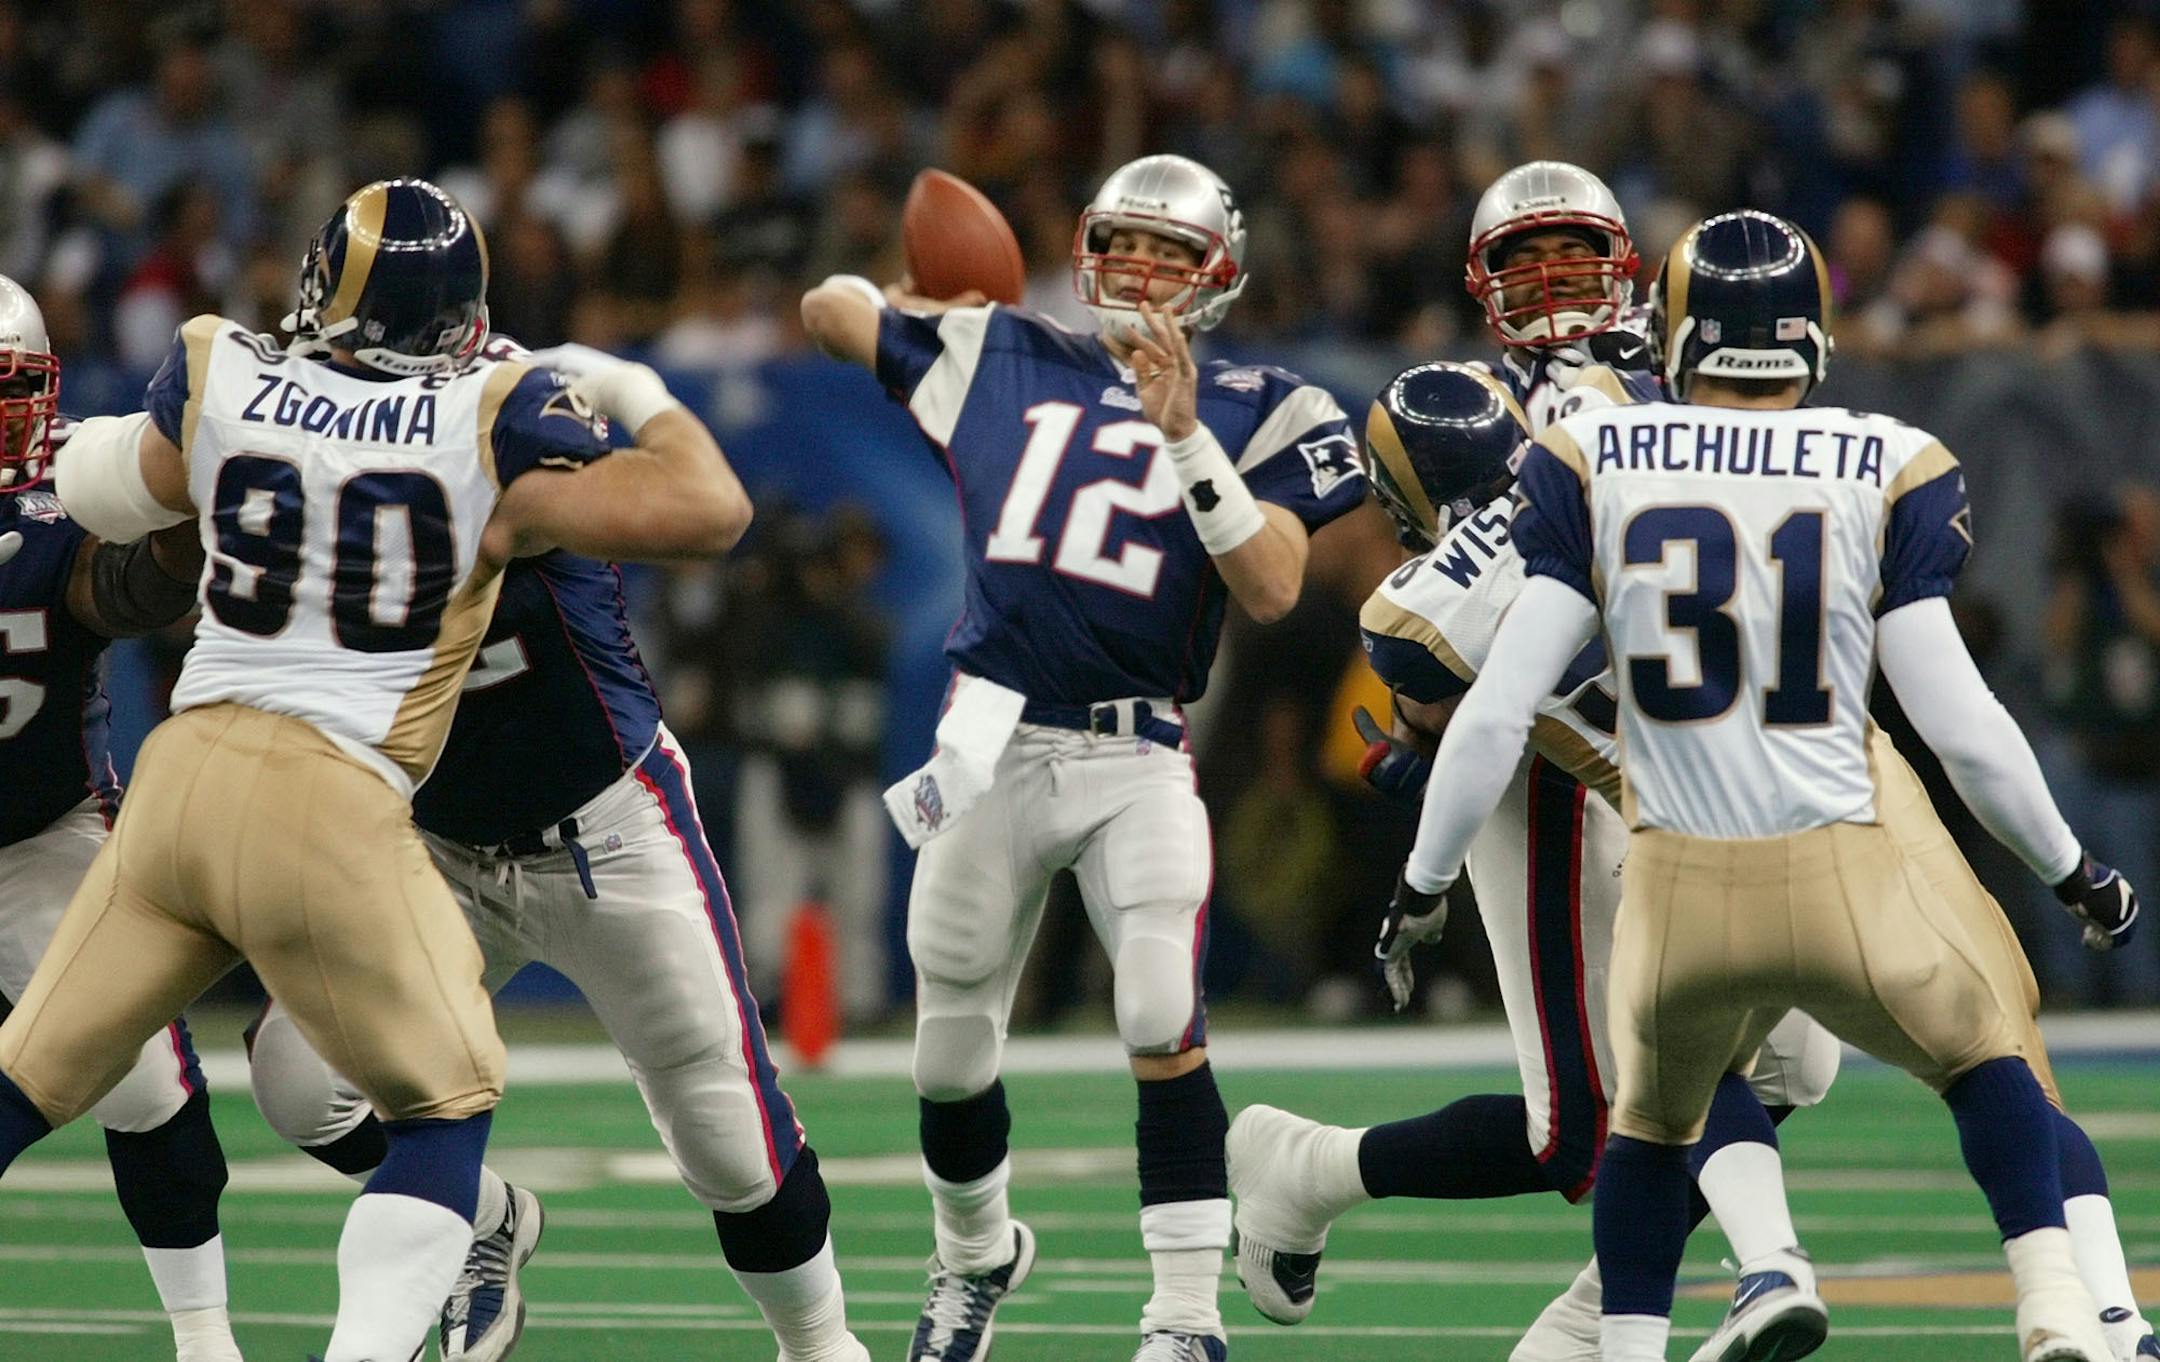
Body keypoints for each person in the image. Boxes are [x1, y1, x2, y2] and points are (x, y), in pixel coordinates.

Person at [0, 178, 750, 1362]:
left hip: (179, 785)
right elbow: (712, 511)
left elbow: (104, 493)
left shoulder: (223, 369)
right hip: (328, 801)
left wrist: (75, 468)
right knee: (445, 1108)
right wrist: (638, 392)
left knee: (25, 1080)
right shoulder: (492, 412)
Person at [1398, 208, 2138, 1362]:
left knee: (1651, 1130)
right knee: (1988, 1054)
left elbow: (1491, 710)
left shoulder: (1597, 459)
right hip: (1841, 856)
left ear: (1676, 336)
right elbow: (1964, 727)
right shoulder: (1887, 460)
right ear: (1814, 335)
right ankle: (2064, 1306)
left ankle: (1670, 1325)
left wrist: (1422, 880)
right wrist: (2076, 871)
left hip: (1679, 883)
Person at [1233, 162, 1841, 1362]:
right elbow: (1435, 629)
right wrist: (1434, 751)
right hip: (1557, 775)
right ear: (1484, 287)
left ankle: (1321, 1178)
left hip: (1706, 751)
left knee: (1785, 1062)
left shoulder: (1689, 374)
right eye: (1527, 266)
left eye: (1575, 260)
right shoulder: (1489, 416)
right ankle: (1694, 1296)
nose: (1557, 288)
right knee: (1604, 1108)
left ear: (1626, 266)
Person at [800, 153, 1367, 1362]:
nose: (1144, 270)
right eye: (1128, 243)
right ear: (1084, 246)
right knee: (948, 1053)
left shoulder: (1269, 404)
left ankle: (1182, 1317)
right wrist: (927, 292)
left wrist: (1182, 440)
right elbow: (828, 310)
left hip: (1134, 752)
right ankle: (977, 1254)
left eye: (1173, 252)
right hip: (993, 740)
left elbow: (1270, 586)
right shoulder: (1000, 356)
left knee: (1161, 1005)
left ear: (1217, 278)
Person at [240, 338, 870, 1362]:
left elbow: (713, 513)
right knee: (298, 1080)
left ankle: (822, 1345)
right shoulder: (305, 456)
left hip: (606, 833)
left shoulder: (514, 425)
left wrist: (632, 393)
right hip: (433, 848)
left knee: (730, 1144)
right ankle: (486, 1221)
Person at [0, 274, 239, 1362]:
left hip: (44, 831)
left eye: (11, 389)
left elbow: (133, 592)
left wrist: (181, 530)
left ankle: (204, 1338)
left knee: (142, 1081)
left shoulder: (79, 479)